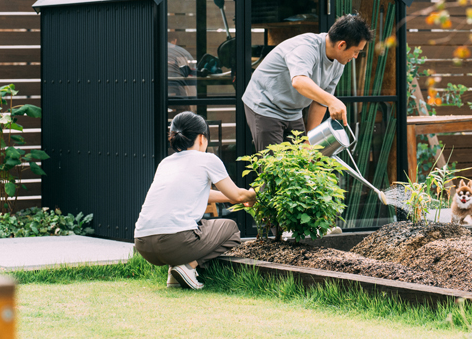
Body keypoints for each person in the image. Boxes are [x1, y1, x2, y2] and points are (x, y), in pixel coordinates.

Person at [134, 112, 256, 290]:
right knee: (231, 230)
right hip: (174, 242)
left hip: (143, 244)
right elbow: (238, 195)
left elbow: (205, 194)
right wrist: (254, 194)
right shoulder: (207, 159)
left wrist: (235, 199)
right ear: (201, 137)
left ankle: (175, 275)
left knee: (190, 226)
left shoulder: (165, 163)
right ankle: (188, 266)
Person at [242, 14, 373, 151]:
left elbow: (320, 101)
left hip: (293, 111)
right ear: (342, 45)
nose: (356, 57)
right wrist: (332, 101)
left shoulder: (339, 62)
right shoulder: (306, 48)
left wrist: (310, 140)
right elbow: (299, 81)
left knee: (301, 161)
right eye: (356, 52)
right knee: (275, 168)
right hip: (265, 104)